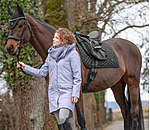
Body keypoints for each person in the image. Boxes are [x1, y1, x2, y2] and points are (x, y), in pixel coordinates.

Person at [17, 28, 82, 130]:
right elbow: (41, 73)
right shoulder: (50, 55)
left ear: (64, 40)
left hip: (67, 92)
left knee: (62, 117)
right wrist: (25, 67)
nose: (53, 39)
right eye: (54, 37)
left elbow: (77, 77)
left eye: (56, 37)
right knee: (61, 121)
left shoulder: (72, 54)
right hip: (53, 94)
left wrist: (75, 93)